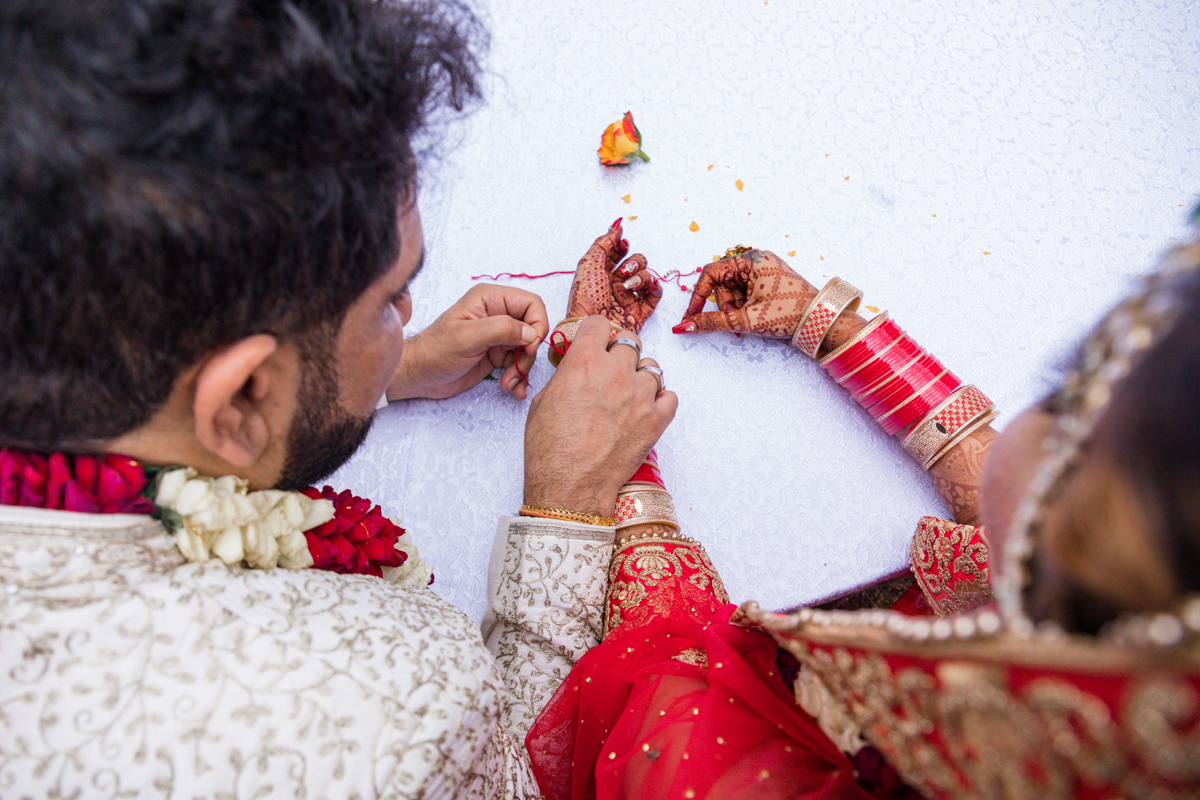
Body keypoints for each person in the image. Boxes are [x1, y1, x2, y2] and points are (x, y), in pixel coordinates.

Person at [0, 1, 675, 797]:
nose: (410, 319)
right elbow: (517, 772)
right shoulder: (379, 710)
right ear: (245, 393)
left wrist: (380, 369)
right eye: (393, 299)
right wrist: (567, 504)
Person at [526, 237, 1200, 799]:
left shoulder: (732, 778)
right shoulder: (1106, 663)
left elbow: (654, 669)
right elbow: (1017, 527)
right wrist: (824, 326)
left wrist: (601, 424)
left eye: (1067, 394)